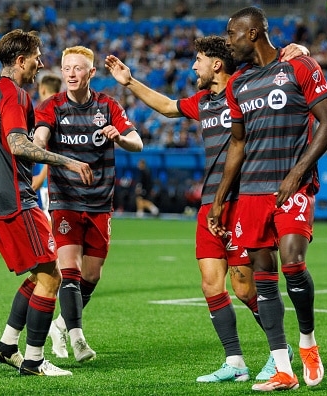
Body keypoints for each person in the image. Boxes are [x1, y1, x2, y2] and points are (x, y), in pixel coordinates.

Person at [106, 37, 309, 383]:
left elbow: (278, 67)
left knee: (245, 289)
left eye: (197, 60)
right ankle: (235, 361)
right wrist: (129, 82)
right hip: (209, 204)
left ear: (217, 64)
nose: (192, 67)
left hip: (243, 200)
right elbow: (170, 107)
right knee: (211, 285)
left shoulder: (247, 90)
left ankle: (281, 350)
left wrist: (298, 50)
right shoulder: (203, 101)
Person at [207, 7, 327, 391]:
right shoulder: (238, 84)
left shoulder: (299, 66)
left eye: (231, 33)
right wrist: (220, 198)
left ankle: (308, 343)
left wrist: (298, 172)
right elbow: (237, 143)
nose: (227, 40)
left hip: (291, 187)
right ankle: (283, 368)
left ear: (252, 34)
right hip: (250, 192)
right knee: (263, 280)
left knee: (293, 263)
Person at [0, 29, 93, 377]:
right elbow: (16, 144)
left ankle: (7, 345)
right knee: (51, 277)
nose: (41, 63)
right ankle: (34, 360)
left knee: (38, 274)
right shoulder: (14, 94)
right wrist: (67, 160)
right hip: (16, 200)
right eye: (37, 57)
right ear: (20, 60)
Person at [34, 45, 143, 363]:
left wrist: (120, 138)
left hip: (99, 204)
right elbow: (41, 136)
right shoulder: (51, 106)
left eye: (78, 68)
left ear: (91, 73)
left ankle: (61, 326)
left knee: (92, 276)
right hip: (65, 201)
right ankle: (78, 337)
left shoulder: (109, 106)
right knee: (70, 271)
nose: (70, 73)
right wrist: (38, 142)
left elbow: (137, 143)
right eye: (67, 67)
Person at [32, 73, 62, 222]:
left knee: (52, 227)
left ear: (42, 89)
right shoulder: (67, 111)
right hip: (68, 180)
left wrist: (40, 177)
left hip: (50, 181)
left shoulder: (44, 111)